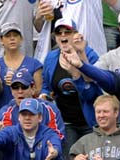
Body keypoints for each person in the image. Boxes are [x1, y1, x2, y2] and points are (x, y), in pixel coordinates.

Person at [41, 18, 101, 147]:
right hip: (65, 121)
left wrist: (76, 72)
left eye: (67, 32)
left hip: (89, 119)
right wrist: (44, 94)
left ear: (75, 34)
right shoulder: (51, 57)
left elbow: (92, 91)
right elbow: (45, 84)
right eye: (58, 33)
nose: (63, 35)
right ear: (54, 37)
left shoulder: (90, 55)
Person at [0, 22, 43, 109]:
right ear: (1, 40)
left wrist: (20, 81)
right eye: (8, 36)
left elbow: (39, 92)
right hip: (3, 113)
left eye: (15, 35)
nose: (12, 38)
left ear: (21, 39)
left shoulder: (34, 64)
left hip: (29, 112)